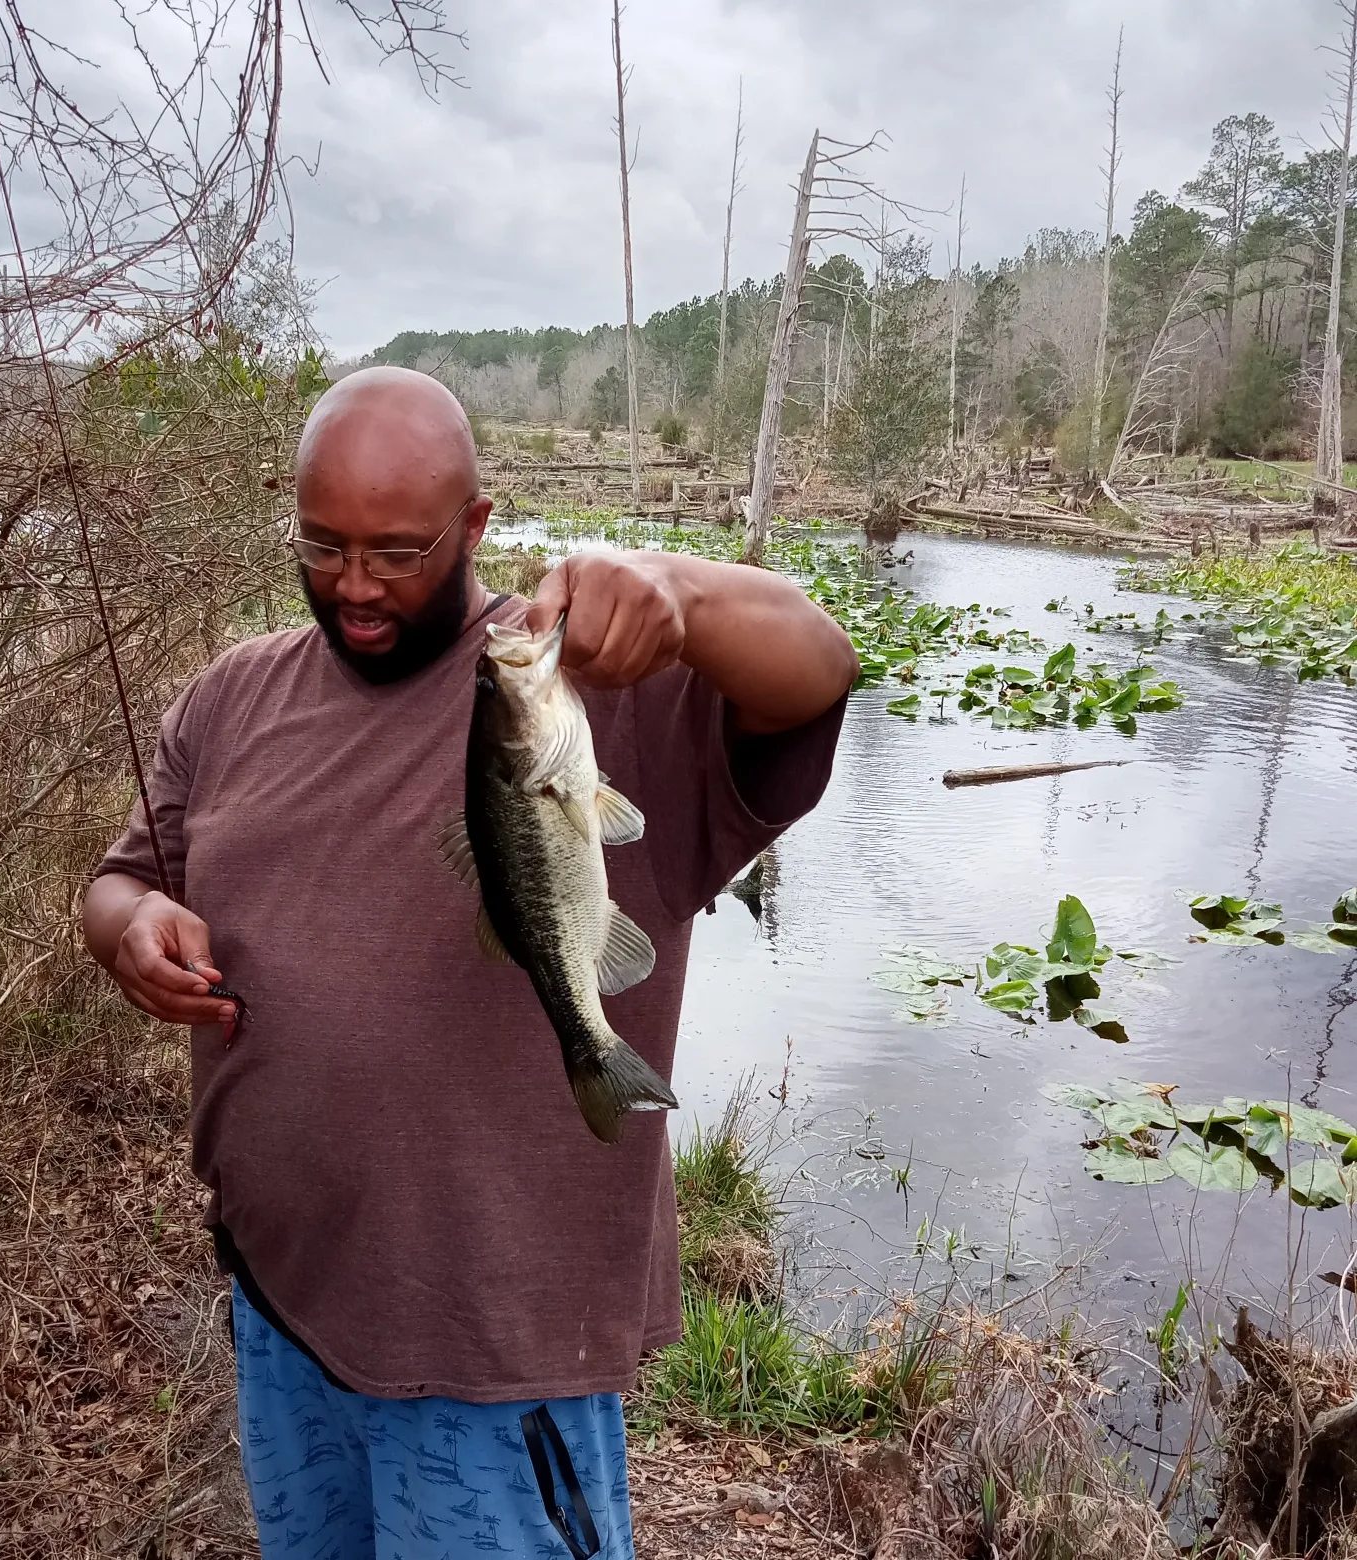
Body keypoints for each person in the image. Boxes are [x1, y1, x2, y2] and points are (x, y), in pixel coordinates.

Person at [83, 367, 857, 1559]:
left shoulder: (596, 696)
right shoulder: (233, 697)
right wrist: (129, 924)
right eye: (323, 544)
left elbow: (819, 665)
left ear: (477, 526)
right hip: (284, 1304)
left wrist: (685, 595)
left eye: (396, 552)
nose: (354, 586)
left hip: (491, 1360)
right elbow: (123, 877)